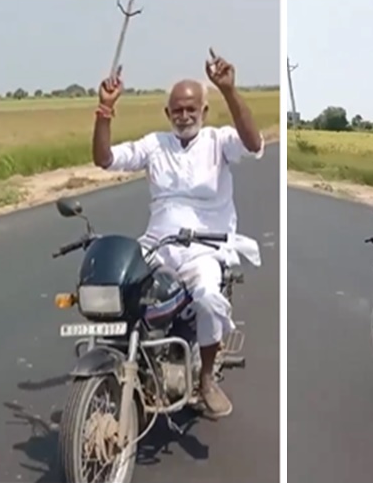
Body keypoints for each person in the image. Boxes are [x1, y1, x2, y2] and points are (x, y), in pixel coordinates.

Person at [91, 49, 265, 418]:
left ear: (203, 111)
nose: (184, 116)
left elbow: (253, 143)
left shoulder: (219, 141)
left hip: (205, 248)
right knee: (119, 285)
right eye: (177, 110)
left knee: (206, 296)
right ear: (168, 114)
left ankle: (206, 380)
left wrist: (229, 90)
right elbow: (104, 159)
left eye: (192, 109)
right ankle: (129, 359)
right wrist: (105, 109)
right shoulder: (155, 144)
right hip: (157, 244)